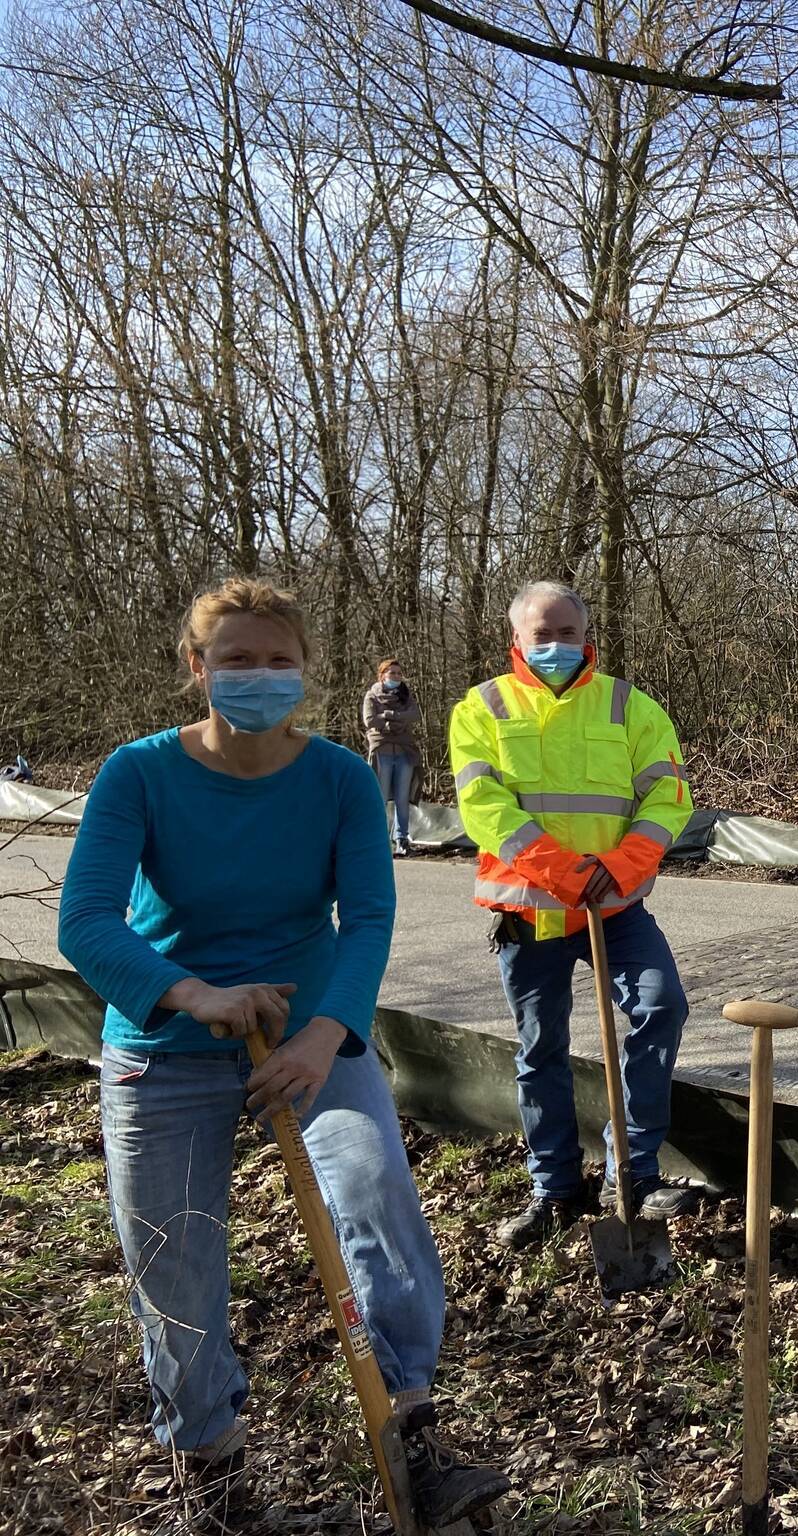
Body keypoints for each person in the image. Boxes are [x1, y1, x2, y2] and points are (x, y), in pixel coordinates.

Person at [55, 578, 509, 1525]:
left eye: (277, 660)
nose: (259, 675)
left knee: (377, 1186)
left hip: (314, 1036)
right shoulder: (138, 773)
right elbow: (88, 922)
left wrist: (322, 1035)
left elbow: (369, 916)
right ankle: (211, 1465)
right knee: (170, 1254)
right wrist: (192, 993)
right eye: (236, 659)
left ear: (304, 670)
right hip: (165, 1045)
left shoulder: (341, 777)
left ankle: (410, 1424)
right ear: (197, 668)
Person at [449, 580, 699, 1248]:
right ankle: (553, 1187)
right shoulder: (481, 709)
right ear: (517, 638)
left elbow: (669, 798)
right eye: (543, 633)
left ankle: (633, 1174)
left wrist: (619, 868)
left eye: (567, 632)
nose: (556, 645)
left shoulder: (631, 707)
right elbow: (484, 805)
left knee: (661, 1006)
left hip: (615, 905)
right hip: (529, 911)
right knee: (540, 1049)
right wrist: (561, 870)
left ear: (587, 636)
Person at [363, 657, 424, 856]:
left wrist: (389, 717)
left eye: (398, 673)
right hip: (383, 751)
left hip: (405, 752)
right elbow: (370, 720)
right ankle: (378, 841)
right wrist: (394, 721)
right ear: (382, 676)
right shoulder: (372, 696)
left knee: (402, 798)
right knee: (379, 798)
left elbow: (414, 715)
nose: (396, 677)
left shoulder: (405, 695)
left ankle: (401, 840)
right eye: (392, 673)